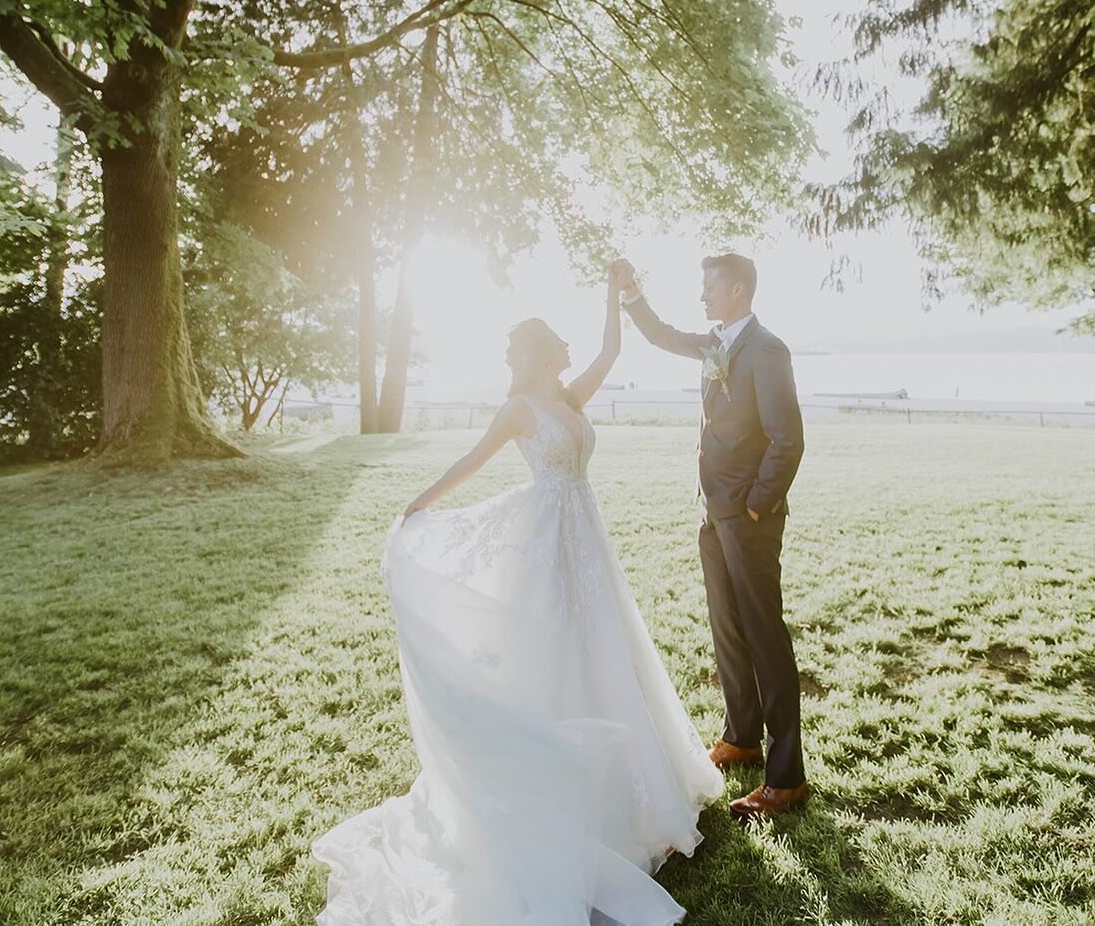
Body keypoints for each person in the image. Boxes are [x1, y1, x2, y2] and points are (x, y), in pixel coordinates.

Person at [310, 267, 723, 925]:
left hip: (587, 541)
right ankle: (557, 777)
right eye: (551, 348)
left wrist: (614, 296)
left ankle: (637, 784)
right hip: (547, 541)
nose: (561, 355)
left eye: (560, 348)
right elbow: (470, 462)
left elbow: (612, 351)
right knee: (553, 654)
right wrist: (418, 504)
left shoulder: (572, 399)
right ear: (536, 355)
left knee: (607, 649)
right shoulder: (519, 411)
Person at [611, 254, 808, 820]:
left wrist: (754, 505)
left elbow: (786, 439)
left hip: (747, 518)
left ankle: (786, 776)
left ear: (739, 289)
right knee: (727, 630)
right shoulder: (717, 342)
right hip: (711, 513)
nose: (702, 297)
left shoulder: (767, 350)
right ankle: (742, 735)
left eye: (710, 288)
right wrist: (631, 292)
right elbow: (661, 335)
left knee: (764, 636)